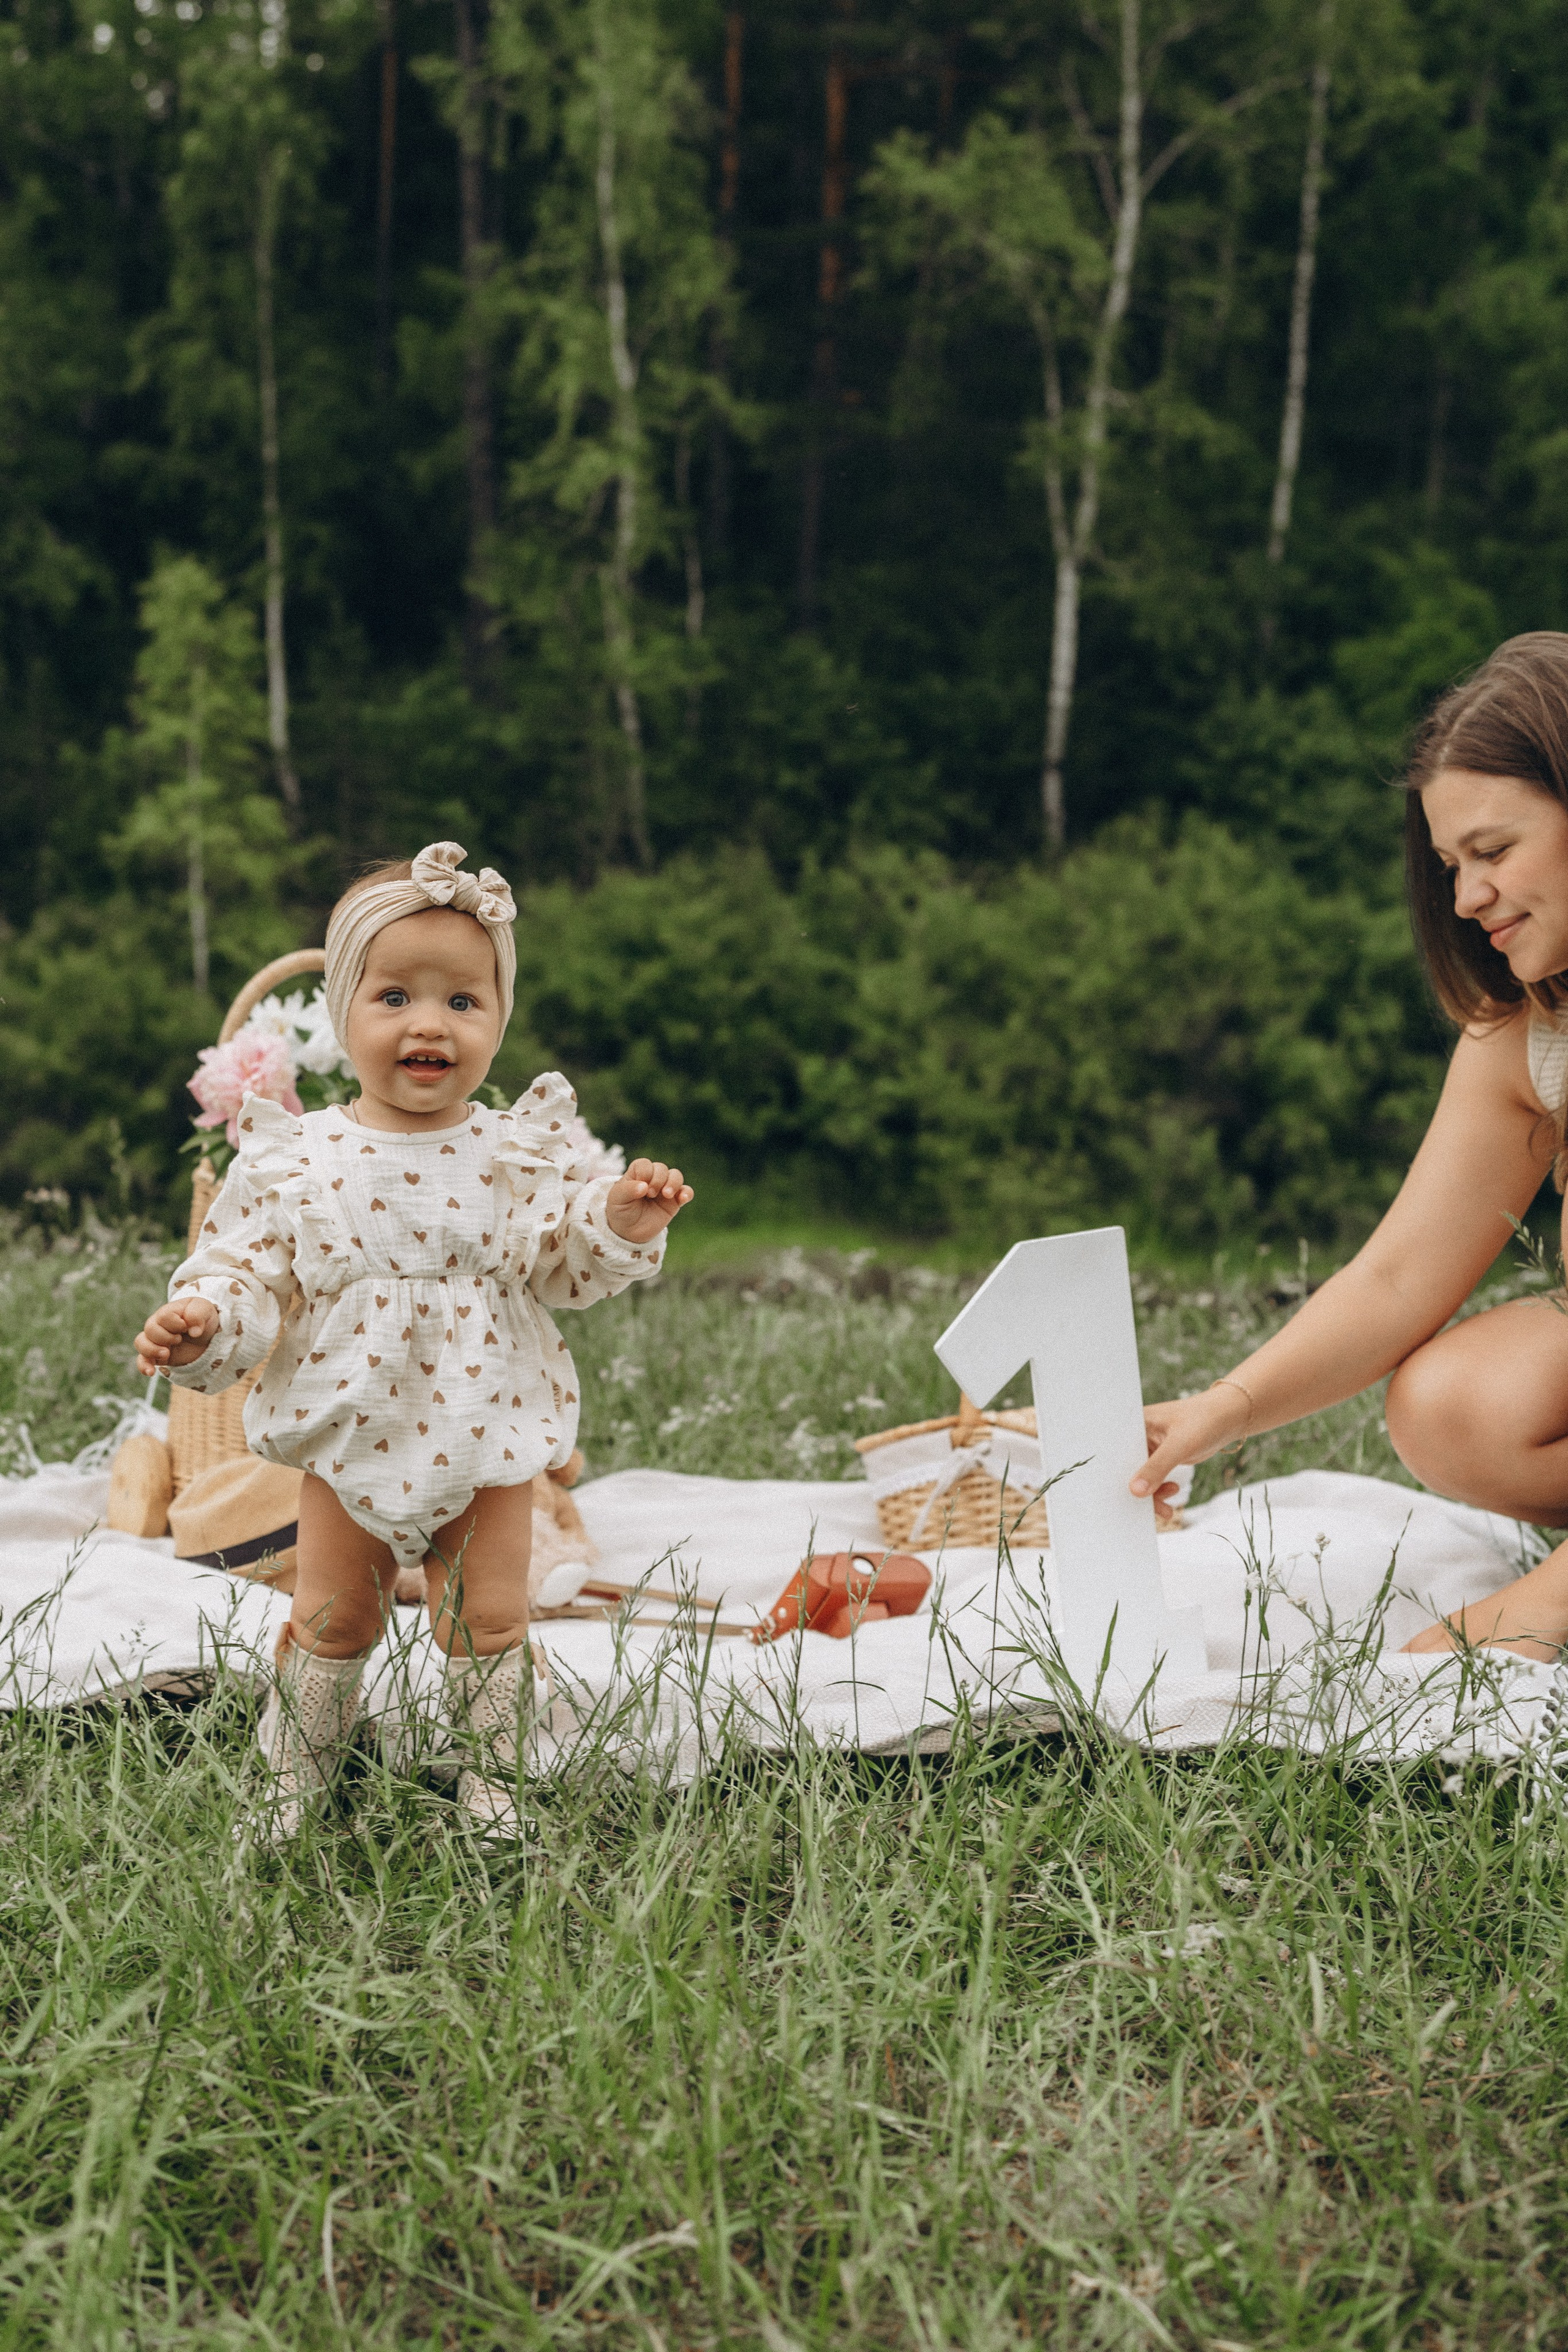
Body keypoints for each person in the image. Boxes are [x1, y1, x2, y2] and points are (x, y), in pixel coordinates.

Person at [134, 842, 693, 1840]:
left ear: (497, 1021)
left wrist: (618, 1221)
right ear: (345, 1012)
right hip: (352, 1436)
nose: (429, 1022)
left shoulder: (514, 1150)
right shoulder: (302, 1156)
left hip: (485, 1433)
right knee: (332, 1617)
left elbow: (557, 1261)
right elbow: (253, 1267)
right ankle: (297, 1772)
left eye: (463, 1002)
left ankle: (493, 1780)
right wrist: (207, 1318)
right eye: (394, 996)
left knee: (489, 1620)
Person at [1131, 631, 1568, 1664]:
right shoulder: (1527, 1033)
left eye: (1495, 853)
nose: (1466, 900)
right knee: (1449, 1405)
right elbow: (1399, 1274)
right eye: (1452, 864)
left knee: (1466, 1653)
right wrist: (1220, 1411)